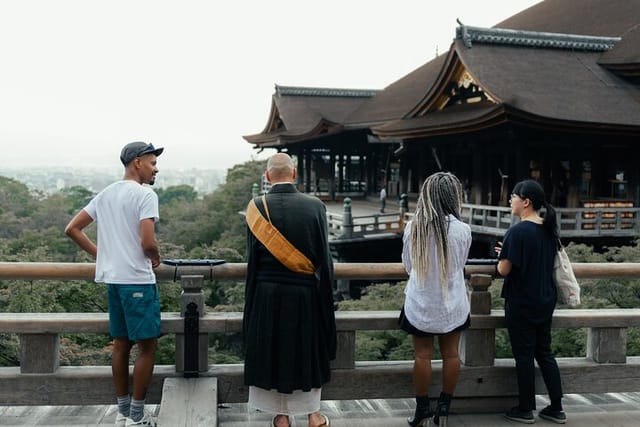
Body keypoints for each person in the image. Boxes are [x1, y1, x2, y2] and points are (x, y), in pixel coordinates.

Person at [65, 141, 163, 427]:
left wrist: (102, 254)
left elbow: (72, 228)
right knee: (147, 347)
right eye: (152, 162)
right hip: (137, 280)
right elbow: (147, 242)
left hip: (113, 280)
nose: (155, 168)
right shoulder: (145, 195)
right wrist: (156, 257)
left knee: (121, 344)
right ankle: (137, 415)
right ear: (137, 163)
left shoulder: (106, 193)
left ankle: (123, 411)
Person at [243, 152, 336, 427]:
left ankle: (281, 418)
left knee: (273, 351)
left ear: (268, 176)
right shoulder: (315, 206)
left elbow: (251, 262)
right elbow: (324, 261)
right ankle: (313, 416)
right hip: (304, 294)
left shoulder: (256, 207)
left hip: (266, 294)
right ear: (294, 174)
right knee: (305, 351)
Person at [399, 172, 472, 427]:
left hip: (421, 302)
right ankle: (444, 408)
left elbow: (409, 266)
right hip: (453, 302)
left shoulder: (413, 227)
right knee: (452, 354)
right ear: (454, 197)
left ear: (426, 196)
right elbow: (461, 265)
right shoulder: (463, 230)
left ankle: (422, 410)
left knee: (422, 356)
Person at [495, 179, 566, 424]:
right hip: (545, 300)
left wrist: (502, 256)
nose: (510, 200)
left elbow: (504, 270)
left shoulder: (517, 231)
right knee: (544, 352)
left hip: (522, 302)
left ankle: (526, 408)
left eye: (513, 196)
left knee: (524, 355)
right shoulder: (548, 229)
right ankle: (556, 407)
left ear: (525, 202)